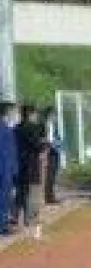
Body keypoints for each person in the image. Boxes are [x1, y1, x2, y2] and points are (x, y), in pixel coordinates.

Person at [13, 104, 46, 239]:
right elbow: (37, 146)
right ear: (31, 114)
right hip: (31, 164)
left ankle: (14, 216)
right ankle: (30, 218)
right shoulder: (31, 128)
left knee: (20, 191)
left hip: (19, 163)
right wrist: (45, 144)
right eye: (35, 114)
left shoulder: (16, 128)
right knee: (32, 192)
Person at [0, 101, 16, 236]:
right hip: (4, 169)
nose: (13, 115)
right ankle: (3, 225)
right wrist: (14, 170)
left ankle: (4, 224)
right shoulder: (6, 130)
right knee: (4, 198)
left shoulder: (7, 129)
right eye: (12, 112)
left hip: (5, 167)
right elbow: (9, 152)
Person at [42, 105, 62, 205]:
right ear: (50, 114)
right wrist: (55, 145)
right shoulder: (48, 124)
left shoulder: (52, 124)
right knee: (50, 174)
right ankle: (49, 197)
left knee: (52, 174)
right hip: (51, 152)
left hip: (55, 151)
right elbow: (49, 140)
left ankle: (50, 195)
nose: (56, 116)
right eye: (54, 114)